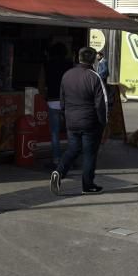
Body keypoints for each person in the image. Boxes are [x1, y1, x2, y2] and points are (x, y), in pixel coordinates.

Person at [50, 47, 108, 195]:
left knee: (73, 149)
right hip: (90, 122)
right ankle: (87, 185)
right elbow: (101, 104)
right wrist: (103, 123)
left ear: (78, 57)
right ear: (94, 59)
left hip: (71, 120)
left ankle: (59, 172)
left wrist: (66, 115)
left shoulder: (67, 75)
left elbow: (62, 100)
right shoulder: (95, 77)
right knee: (89, 153)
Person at [42, 42, 73, 167]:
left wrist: (44, 96)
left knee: (55, 132)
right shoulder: (70, 65)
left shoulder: (46, 65)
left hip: (52, 100)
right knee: (70, 132)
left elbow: (41, 83)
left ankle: (56, 159)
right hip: (68, 101)